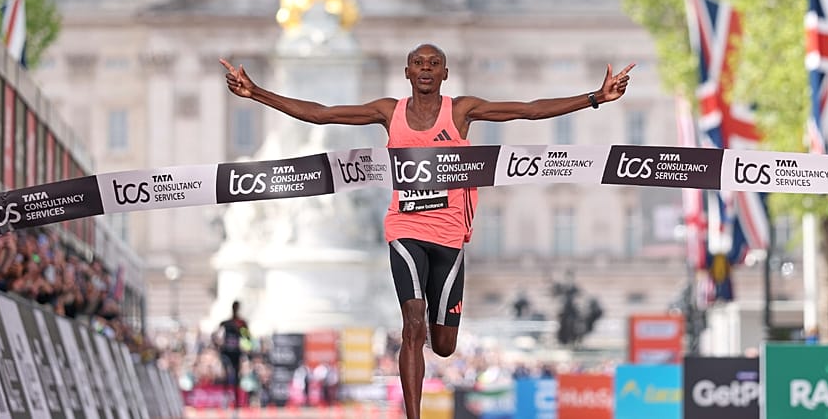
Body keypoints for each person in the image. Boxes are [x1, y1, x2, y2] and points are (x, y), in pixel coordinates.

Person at [221, 43, 634, 418]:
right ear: (406, 72)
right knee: (412, 323)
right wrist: (256, 92)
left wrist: (596, 97)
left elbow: (528, 109)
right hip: (404, 227)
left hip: (450, 235)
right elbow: (322, 113)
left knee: (443, 344)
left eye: (433, 64)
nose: (425, 69)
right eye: (418, 63)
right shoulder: (389, 112)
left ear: (445, 74)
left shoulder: (461, 111)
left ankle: (436, 341)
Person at [213, 300, 252, 410]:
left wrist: (246, 348)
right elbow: (215, 335)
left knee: (236, 376)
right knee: (226, 375)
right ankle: (227, 398)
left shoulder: (241, 323)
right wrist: (218, 345)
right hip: (226, 352)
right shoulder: (226, 323)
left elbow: (247, 337)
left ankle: (235, 400)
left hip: (236, 353)